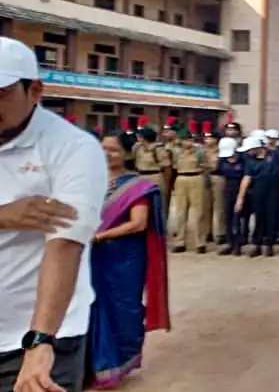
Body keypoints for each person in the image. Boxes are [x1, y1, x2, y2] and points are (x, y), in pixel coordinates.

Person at [0, 37, 108, 392]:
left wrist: (39, 340)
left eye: (0, 93)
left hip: (32, 338)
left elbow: (64, 246)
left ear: (35, 90)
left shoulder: (72, 149)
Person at [85, 132, 171, 388]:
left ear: (126, 153)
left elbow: (139, 223)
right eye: (103, 149)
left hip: (124, 258)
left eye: (113, 149)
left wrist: (101, 235)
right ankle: (100, 365)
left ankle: (121, 360)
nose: (107, 154)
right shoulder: (91, 181)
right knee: (94, 306)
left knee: (124, 309)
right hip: (94, 255)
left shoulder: (137, 186)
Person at [235, 136, 279, 258]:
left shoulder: (274, 155)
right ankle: (256, 243)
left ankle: (269, 244)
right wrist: (240, 197)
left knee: (271, 216)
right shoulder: (249, 160)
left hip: (273, 188)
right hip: (258, 188)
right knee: (259, 215)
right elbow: (247, 178)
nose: (248, 152)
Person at [170, 122, 213, 254]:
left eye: (187, 139)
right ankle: (180, 241)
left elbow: (208, 166)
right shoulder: (176, 152)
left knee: (199, 211)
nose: (185, 142)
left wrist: (202, 175)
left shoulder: (199, 151)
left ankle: (200, 242)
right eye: (183, 140)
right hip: (181, 178)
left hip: (196, 177)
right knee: (180, 212)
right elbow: (172, 166)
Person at [216, 138, 248, 256]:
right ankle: (230, 242)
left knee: (237, 218)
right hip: (227, 189)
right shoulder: (222, 160)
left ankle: (238, 244)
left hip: (240, 189)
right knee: (227, 217)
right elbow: (219, 172)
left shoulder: (243, 159)